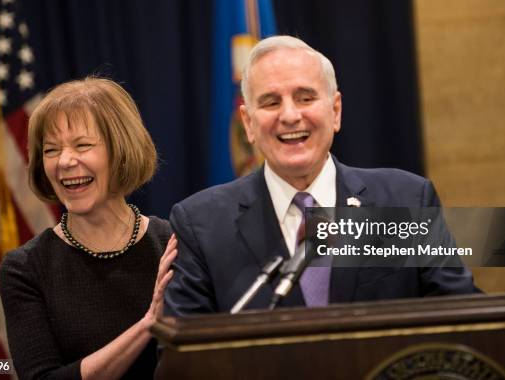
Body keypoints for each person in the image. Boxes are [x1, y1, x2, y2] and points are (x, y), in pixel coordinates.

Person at [165, 35, 477, 316]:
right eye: (271, 102)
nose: (289, 116)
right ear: (248, 123)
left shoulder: (407, 199)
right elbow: (182, 356)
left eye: (305, 98)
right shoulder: (201, 223)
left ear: (335, 110)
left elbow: (463, 316)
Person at [0, 77, 177, 379]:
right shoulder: (25, 269)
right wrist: (149, 324)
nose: (65, 162)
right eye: (51, 150)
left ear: (121, 150)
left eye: (82, 145)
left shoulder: (173, 245)